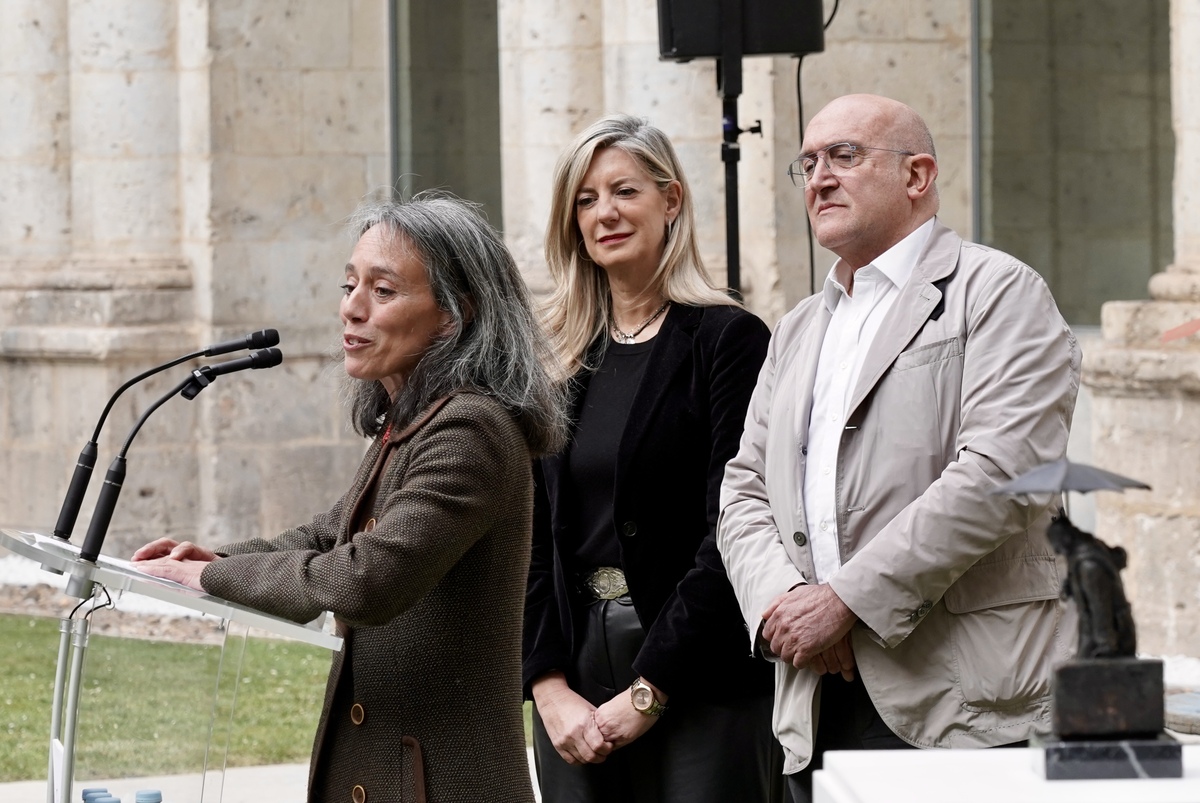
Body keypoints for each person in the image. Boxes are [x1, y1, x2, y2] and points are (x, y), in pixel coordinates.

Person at [133, 193, 568, 803]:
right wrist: (209, 563)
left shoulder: (472, 431)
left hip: (440, 784)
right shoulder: (412, 421)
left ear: (454, 315)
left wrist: (211, 580)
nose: (352, 309)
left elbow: (364, 580)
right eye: (348, 285)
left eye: (383, 291)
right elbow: (325, 536)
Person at [716, 94, 1081, 801]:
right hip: (814, 694)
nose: (819, 177)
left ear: (917, 176)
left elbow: (1003, 472)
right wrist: (784, 602)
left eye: (845, 156)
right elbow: (744, 488)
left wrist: (846, 600)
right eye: (808, 162)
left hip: (963, 704)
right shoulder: (795, 327)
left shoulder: (999, 292)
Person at [522, 113, 784, 803]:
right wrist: (548, 687)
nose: (603, 212)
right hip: (576, 672)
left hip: (701, 670)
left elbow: (732, 527)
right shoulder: (558, 359)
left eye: (624, 190)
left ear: (671, 201)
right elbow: (532, 535)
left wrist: (649, 690)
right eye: (585, 198)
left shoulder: (728, 340)